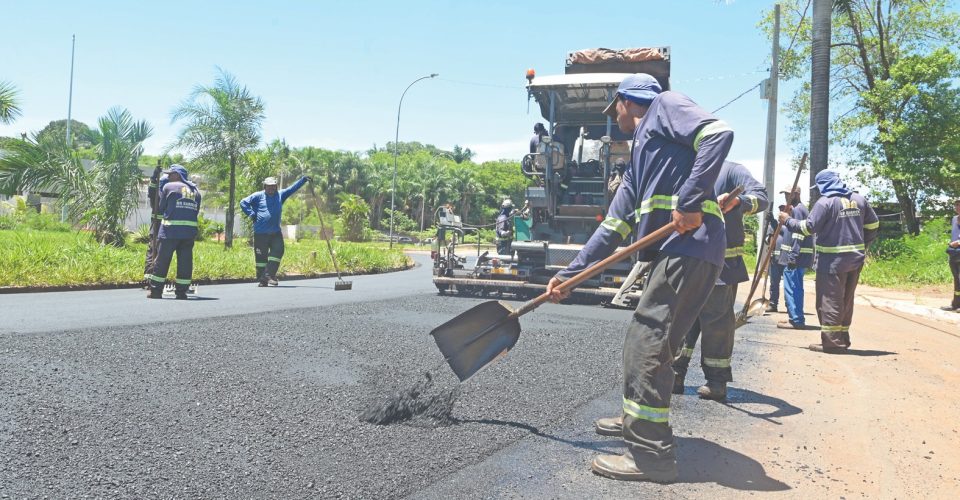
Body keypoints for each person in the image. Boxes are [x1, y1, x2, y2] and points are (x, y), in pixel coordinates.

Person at [546, 73, 733, 482]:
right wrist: (570, 275)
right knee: (651, 342)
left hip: (690, 245)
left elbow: (718, 133)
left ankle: (650, 456)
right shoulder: (636, 163)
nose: (615, 114)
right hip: (680, 253)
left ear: (627, 100)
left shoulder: (664, 106)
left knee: (646, 343)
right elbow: (612, 228)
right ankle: (636, 422)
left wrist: (689, 200)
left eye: (616, 106)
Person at [672, 161, 769, 400]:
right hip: (686, 262)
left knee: (716, 324)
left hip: (721, 268)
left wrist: (739, 202)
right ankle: (674, 374)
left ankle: (716, 381)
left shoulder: (731, 171)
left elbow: (761, 197)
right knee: (681, 320)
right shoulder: (683, 169)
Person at [780, 169, 878, 353]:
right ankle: (842, 339)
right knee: (846, 301)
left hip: (832, 262)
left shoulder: (825, 203)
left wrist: (787, 220)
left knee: (830, 301)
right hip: (855, 260)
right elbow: (873, 225)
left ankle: (833, 343)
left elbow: (808, 228)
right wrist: (862, 245)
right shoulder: (859, 199)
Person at [239, 175, 311, 286]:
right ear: (265, 186)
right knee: (261, 258)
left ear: (276, 186)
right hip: (260, 233)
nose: (272, 189)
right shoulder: (258, 196)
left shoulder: (280, 195)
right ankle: (263, 279)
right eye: (269, 187)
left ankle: (267, 276)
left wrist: (303, 180)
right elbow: (243, 202)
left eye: (273, 186)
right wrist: (251, 213)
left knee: (278, 250)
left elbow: (292, 188)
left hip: (275, 232)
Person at [146, 164, 201, 299]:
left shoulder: (168, 187)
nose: (168, 176)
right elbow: (196, 211)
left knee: (162, 262)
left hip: (170, 232)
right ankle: (181, 292)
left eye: (170, 174)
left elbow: (160, 207)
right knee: (185, 262)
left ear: (177, 175)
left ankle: (156, 291)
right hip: (188, 233)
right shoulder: (196, 191)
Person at [775, 185, 814, 329]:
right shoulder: (798, 210)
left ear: (796, 195)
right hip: (797, 258)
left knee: (792, 288)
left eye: (788, 194)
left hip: (795, 259)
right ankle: (795, 317)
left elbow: (798, 235)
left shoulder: (797, 210)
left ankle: (796, 319)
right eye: (785, 194)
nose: (786, 197)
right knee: (795, 287)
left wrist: (792, 257)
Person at [143, 162, 165, 282]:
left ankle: (152, 277)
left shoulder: (160, 193)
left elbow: (152, 188)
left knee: (153, 251)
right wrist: (154, 176)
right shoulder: (161, 194)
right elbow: (152, 188)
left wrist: (154, 176)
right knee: (155, 251)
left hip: (158, 226)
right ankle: (150, 277)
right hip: (160, 226)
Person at [765, 204, 787, 313]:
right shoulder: (773, 225)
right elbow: (768, 239)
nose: (781, 212)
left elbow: (783, 231)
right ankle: (773, 303)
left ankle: (790, 306)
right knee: (774, 282)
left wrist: (773, 222)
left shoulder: (789, 224)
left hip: (786, 259)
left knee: (788, 285)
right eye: (780, 209)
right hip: (774, 258)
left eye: (783, 209)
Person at [943, 199, 960, 311]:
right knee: (956, 280)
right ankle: (955, 304)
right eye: (957, 205)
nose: (958, 207)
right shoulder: (954, 219)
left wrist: (958, 242)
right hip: (954, 254)